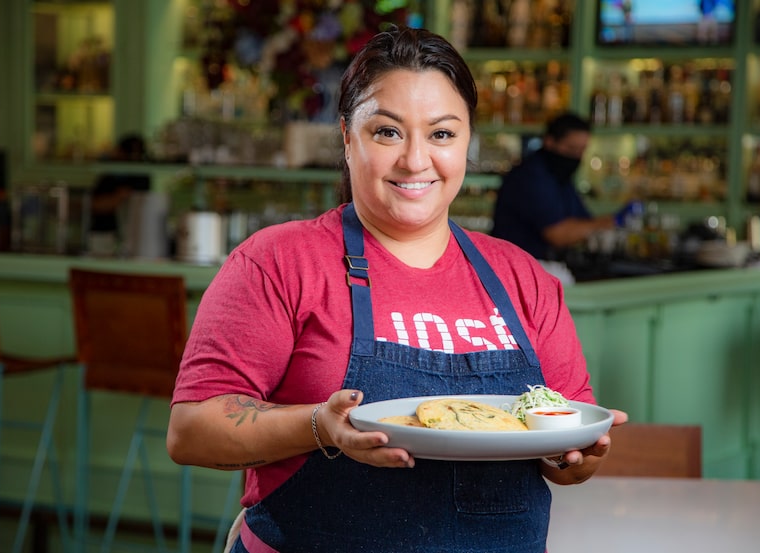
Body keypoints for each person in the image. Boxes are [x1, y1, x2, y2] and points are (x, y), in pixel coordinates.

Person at [167, 26, 627, 553]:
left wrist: (576, 455)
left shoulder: (523, 279)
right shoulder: (278, 261)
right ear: (346, 136)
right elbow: (192, 430)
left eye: (442, 134)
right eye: (387, 132)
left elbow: (565, 457)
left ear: (467, 141)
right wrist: (319, 425)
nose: (414, 160)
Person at [491, 112, 641, 264]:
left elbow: (582, 220)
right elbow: (558, 234)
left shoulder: (560, 176)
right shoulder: (531, 176)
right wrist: (612, 220)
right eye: (571, 149)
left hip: (540, 267)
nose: (576, 156)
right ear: (549, 142)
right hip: (513, 269)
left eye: (581, 150)